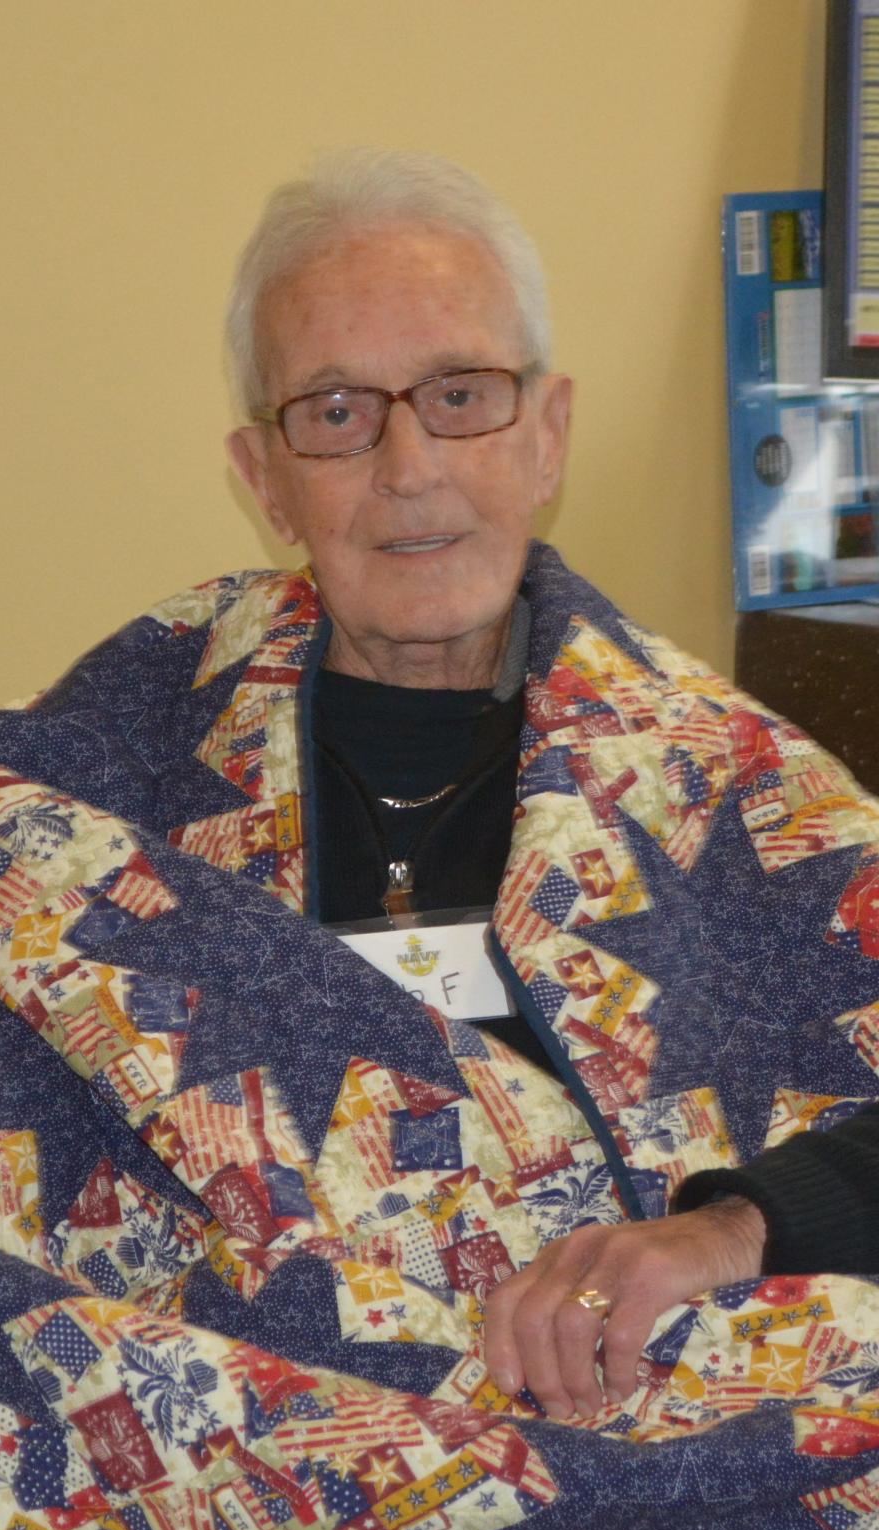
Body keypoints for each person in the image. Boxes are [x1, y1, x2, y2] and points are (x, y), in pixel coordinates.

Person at [220, 149, 879, 1420]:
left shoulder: (735, 785)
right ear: (268, 480)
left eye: (462, 393)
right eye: (339, 410)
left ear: (548, 436)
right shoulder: (109, 774)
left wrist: (738, 1223)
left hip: (665, 1429)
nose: (409, 465)